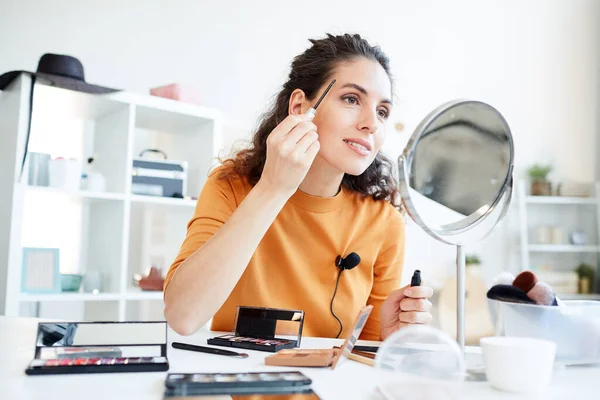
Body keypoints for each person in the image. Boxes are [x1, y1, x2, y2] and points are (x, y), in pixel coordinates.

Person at [163, 33, 433, 341]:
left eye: (382, 111)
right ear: (299, 106)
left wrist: (389, 337)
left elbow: (363, 366)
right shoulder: (231, 186)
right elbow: (181, 316)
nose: (371, 123)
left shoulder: (384, 223)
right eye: (351, 99)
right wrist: (272, 189)